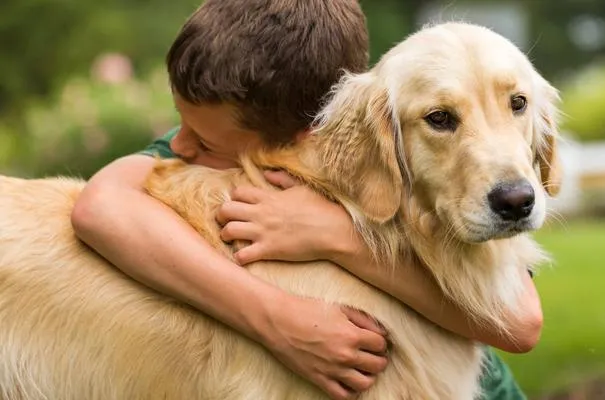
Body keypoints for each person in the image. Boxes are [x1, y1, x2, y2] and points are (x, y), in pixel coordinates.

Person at [70, 0, 542, 399]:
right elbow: (100, 206)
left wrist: (336, 237)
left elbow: (521, 323)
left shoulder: (367, 132)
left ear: (301, 137)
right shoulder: (226, 130)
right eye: (182, 122)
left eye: (206, 141)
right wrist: (275, 317)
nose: (180, 146)